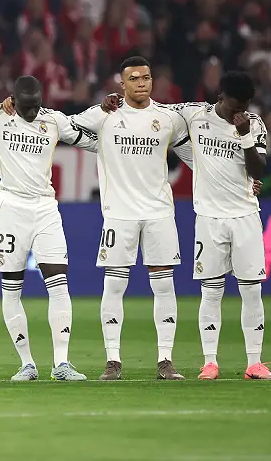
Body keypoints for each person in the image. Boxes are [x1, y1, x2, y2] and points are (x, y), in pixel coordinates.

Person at [0, 76, 97, 382]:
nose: (31, 112)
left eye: (35, 106)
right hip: (11, 208)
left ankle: (62, 364)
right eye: (25, 106)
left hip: (45, 208)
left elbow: (90, 140)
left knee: (59, 283)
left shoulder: (53, 120)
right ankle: (27, 364)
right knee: (12, 287)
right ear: (12, 100)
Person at [68, 56, 191, 381]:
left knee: (164, 285)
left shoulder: (167, 118)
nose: (141, 83)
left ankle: (165, 360)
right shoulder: (106, 116)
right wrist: (99, 108)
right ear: (122, 84)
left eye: (146, 77)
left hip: (159, 212)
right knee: (114, 284)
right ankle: (113, 361)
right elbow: (68, 128)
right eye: (134, 78)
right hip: (119, 214)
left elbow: (191, 155)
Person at [169, 71, 271, 380]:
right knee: (212, 292)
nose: (238, 113)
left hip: (245, 216)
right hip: (209, 218)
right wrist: (122, 103)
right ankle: (210, 363)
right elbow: (158, 112)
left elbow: (258, 169)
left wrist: (243, 135)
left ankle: (254, 363)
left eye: (244, 106)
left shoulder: (253, 125)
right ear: (221, 97)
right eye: (234, 107)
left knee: (251, 291)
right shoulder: (195, 115)